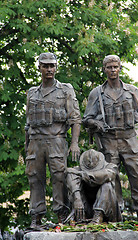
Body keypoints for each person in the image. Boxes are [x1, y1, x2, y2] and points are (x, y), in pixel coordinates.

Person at [83, 55, 138, 224]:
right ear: (104, 69)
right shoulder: (97, 93)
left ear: (120, 68)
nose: (113, 70)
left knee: (136, 177)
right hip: (108, 141)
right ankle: (116, 213)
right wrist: (96, 123)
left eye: (115, 67)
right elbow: (86, 119)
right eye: (109, 67)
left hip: (130, 139)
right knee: (110, 179)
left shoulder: (132, 91)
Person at [25, 52, 81, 228]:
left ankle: (61, 217)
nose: (49, 69)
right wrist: (27, 146)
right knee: (34, 179)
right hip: (35, 142)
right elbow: (28, 123)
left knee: (59, 178)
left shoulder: (66, 90)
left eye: (52, 65)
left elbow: (75, 118)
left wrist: (74, 143)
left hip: (56, 140)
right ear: (39, 67)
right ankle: (36, 218)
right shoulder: (32, 93)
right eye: (45, 65)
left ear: (56, 67)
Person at [66, 149, 122, 224]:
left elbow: (107, 174)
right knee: (74, 182)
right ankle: (81, 217)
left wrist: (85, 174)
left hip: (108, 212)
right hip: (86, 209)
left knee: (107, 185)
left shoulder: (111, 167)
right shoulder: (77, 170)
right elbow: (69, 173)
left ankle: (98, 216)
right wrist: (77, 198)